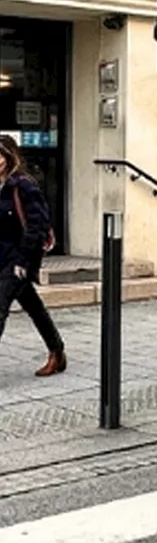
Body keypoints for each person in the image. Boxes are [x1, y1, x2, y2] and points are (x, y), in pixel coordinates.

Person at [0, 136, 65, 376]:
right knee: (34, 307)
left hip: (17, 260)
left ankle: (57, 353)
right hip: (1, 257)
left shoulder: (23, 185)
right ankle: (57, 352)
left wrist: (23, 260)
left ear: (9, 158)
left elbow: (37, 225)